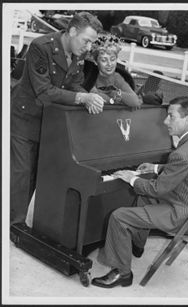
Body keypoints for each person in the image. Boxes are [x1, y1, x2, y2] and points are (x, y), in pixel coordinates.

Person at [91, 96, 188, 288]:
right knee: (144, 196)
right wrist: (156, 168)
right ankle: (137, 244)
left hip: (182, 215)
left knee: (119, 217)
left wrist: (131, 178)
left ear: (186, 119)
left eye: (171, 116)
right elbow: (187, 170)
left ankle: (122, 273)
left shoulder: (182, 154)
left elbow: (158, 189)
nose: (165, 121)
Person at [10, 11, 104, 226]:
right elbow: (44, 91)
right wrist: (82, 97)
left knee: (34, 173)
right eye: (86, 41)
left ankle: (16, 219)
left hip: (49, 123)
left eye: (92, 43)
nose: (89, 47)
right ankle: (14, 225)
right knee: (20, 174)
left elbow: (74, 83)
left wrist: (91, 96)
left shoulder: (78, 53)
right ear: (72, 31)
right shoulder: (40, 47)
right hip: (24, 119)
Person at [88, 33, 142, 107]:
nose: (109, 64)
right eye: (104, 60)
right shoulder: (90, 76)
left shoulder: (116, 77)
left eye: (112, 59)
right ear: (95, 61)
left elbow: (135, 101)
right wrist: (116, 100)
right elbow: (97, 98)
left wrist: (113, 93)